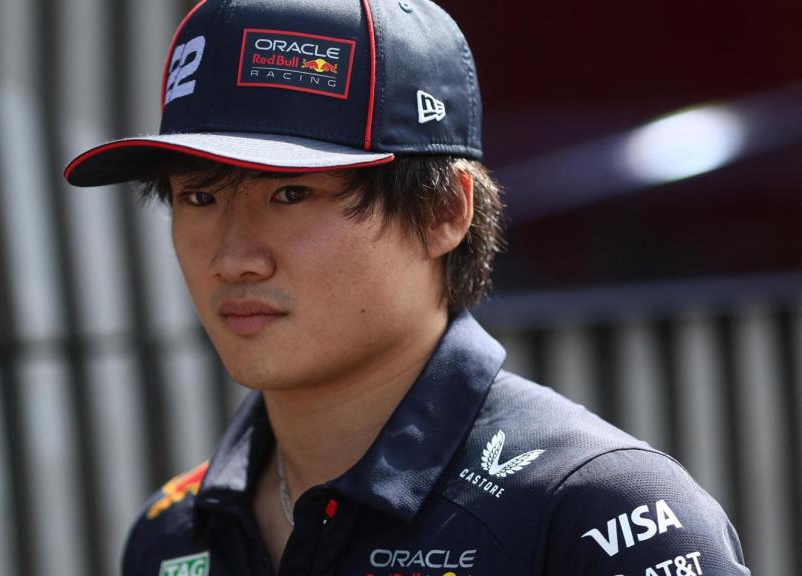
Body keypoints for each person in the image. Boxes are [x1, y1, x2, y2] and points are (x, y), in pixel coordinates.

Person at [64, 1, 751, 574]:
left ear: (445, 211)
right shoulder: (173, 533)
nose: (234, 258)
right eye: (199, 197)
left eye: (293, 193)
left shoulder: (598, 514)